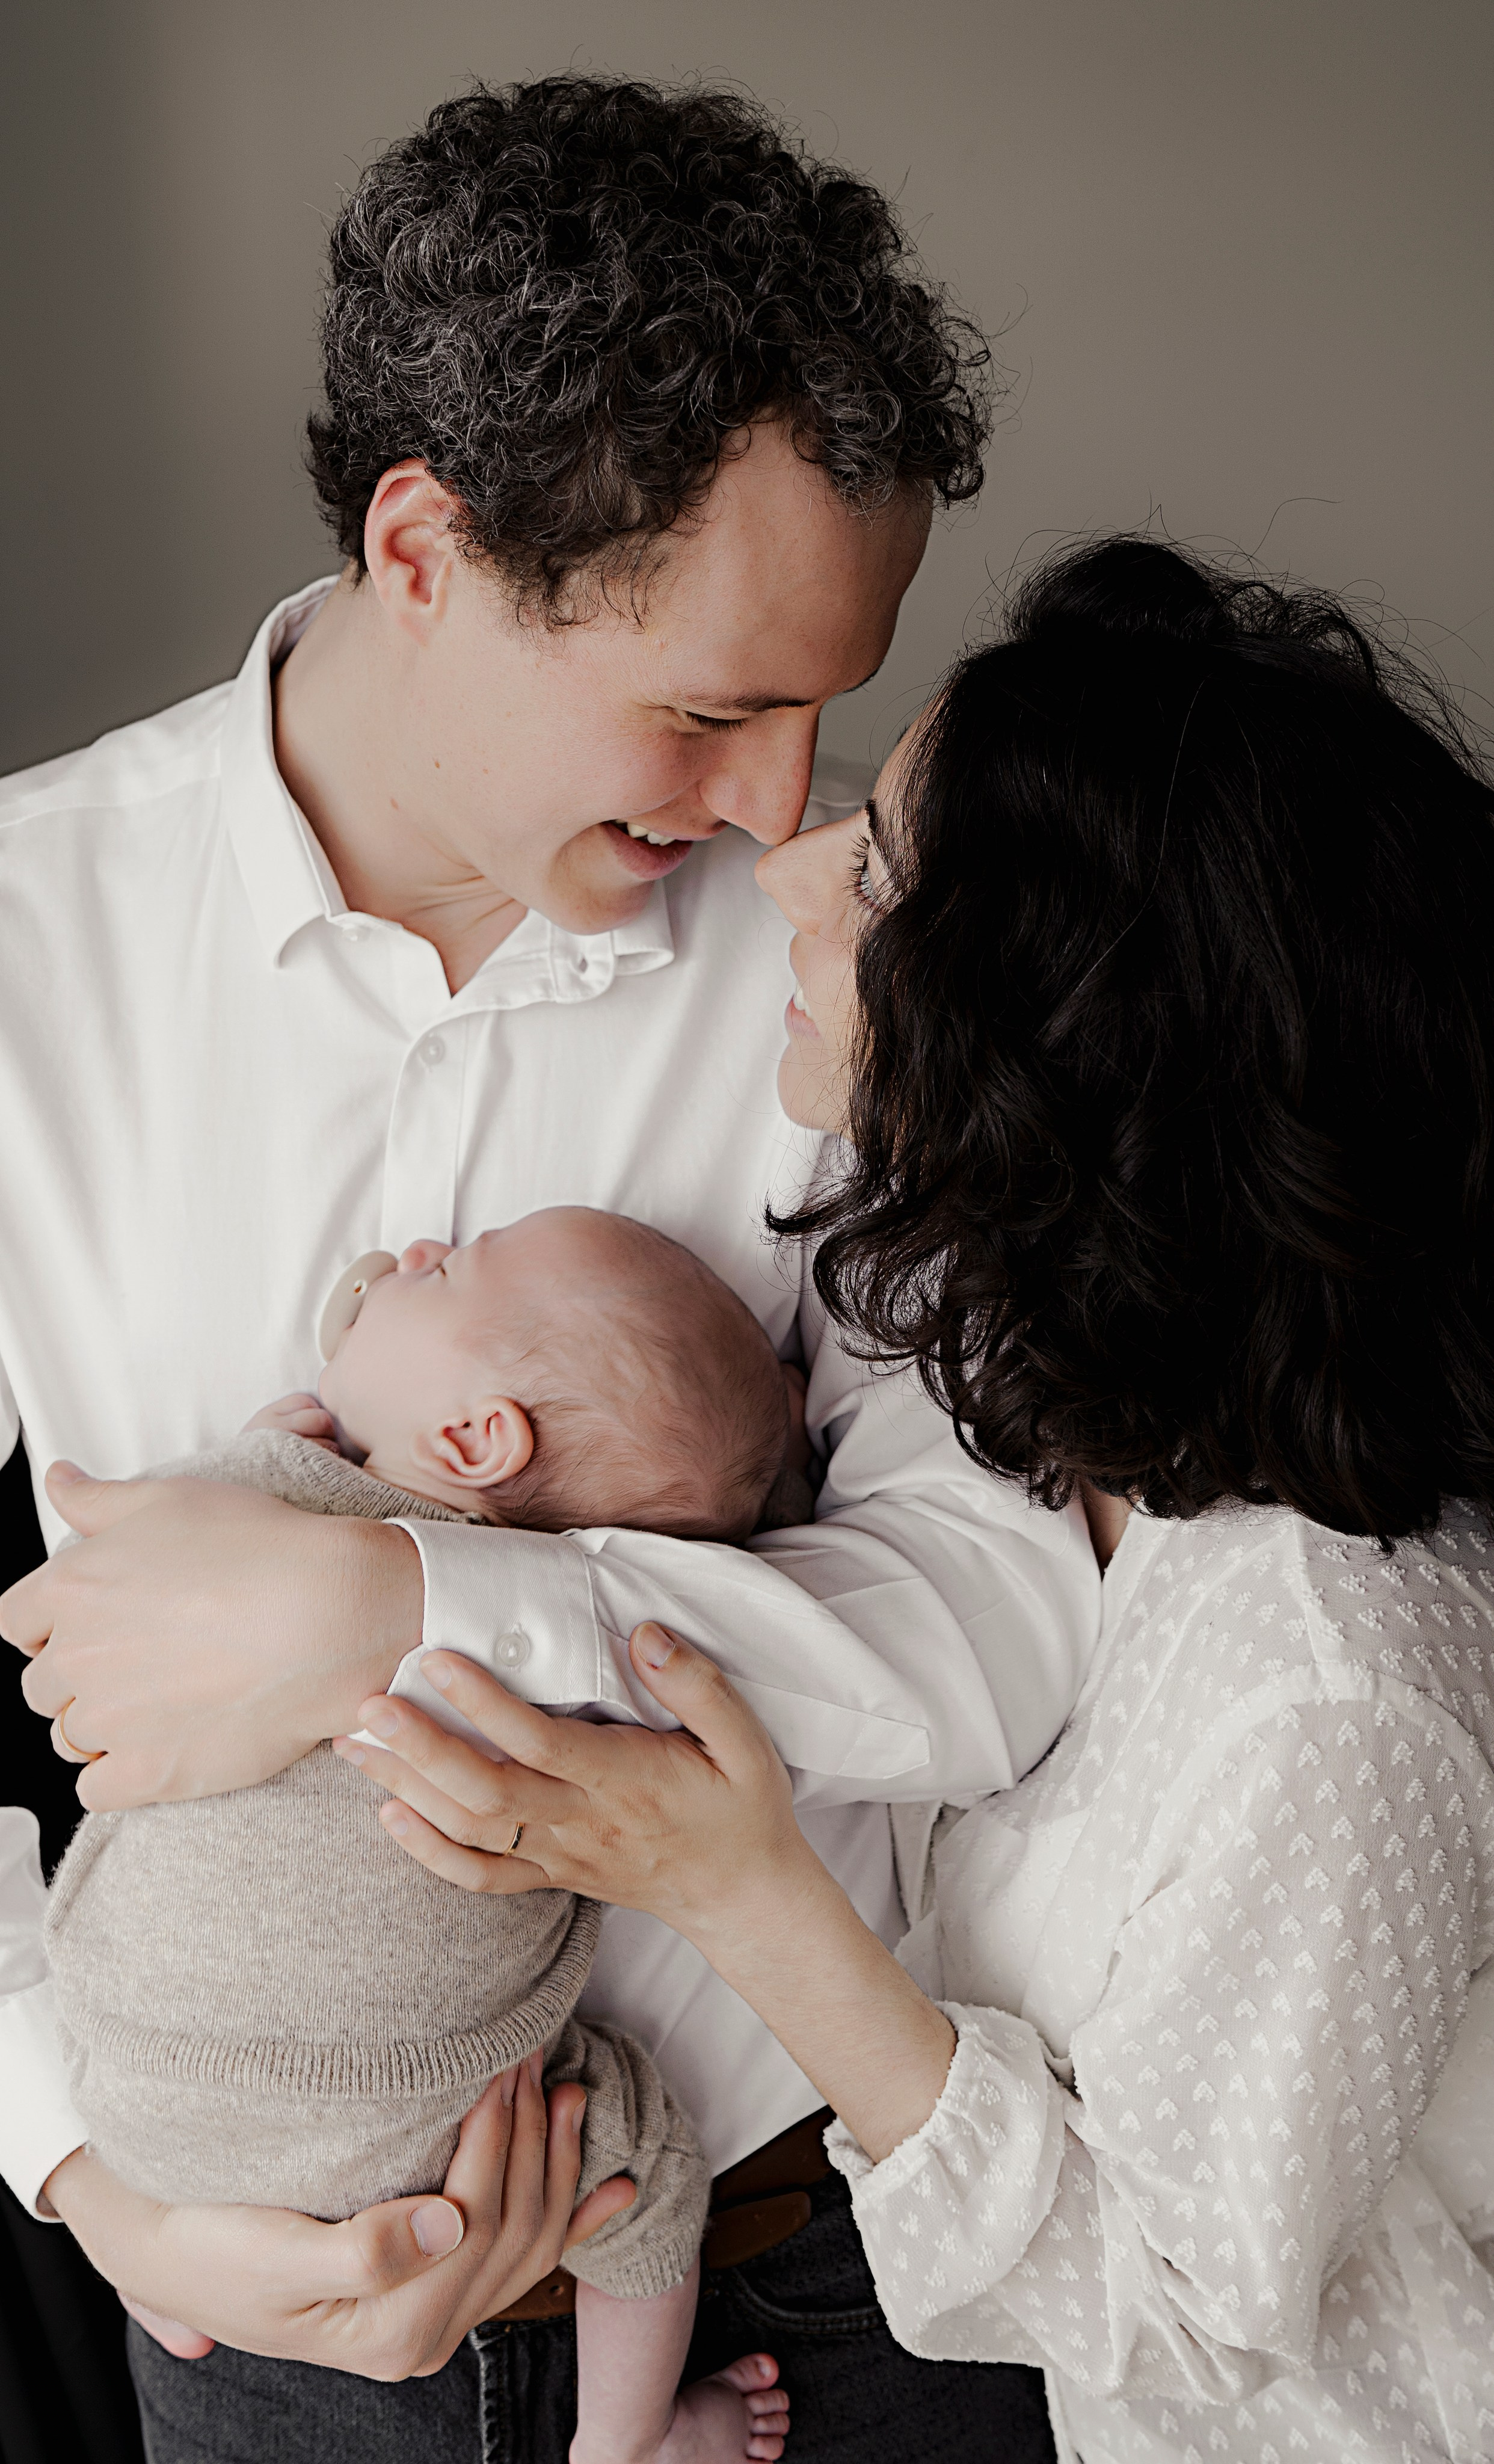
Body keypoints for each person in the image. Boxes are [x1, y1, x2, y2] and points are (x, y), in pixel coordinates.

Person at [0, 75, 1086, 2462]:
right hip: (257, 2318)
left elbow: (1004, 1628)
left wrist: (410, 1609)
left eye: (830, 700)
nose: (794, 801)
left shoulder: (860, 971)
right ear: (424, 549)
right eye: (713, 708)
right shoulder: (25, 951)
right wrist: (88, 2176)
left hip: (844, 2285)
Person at [355, 540, 1494, 2464]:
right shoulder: (1082, 1432)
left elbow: (1194, 2322)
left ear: (1070, 1034)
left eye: (872, 865)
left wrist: (742, 1891)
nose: (783, 867)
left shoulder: (1333, 1693)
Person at [48, 1209, 804, 2464]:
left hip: (126, 2083)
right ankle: (632, 2433)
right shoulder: (604, 1660)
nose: (405, 1255)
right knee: (645, 2159)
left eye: (446, 1270)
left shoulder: (250, 1504)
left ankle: (171, 2262)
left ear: (475, 1436)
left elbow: (119, 1578)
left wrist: (245, 1456)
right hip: (434, 2131)